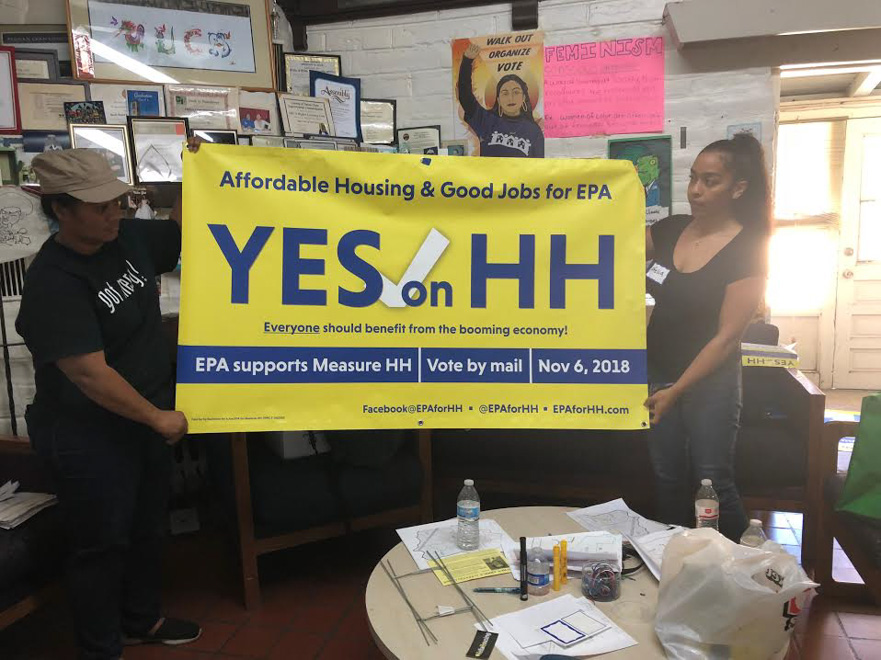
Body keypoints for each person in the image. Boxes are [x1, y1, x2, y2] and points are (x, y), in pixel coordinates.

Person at [16, 147, 201, 660]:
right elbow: (88, 373)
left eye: (117, 202)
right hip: (88, 435)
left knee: (147, 528)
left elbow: (178, 230)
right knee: (100, 545)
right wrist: (157, 417)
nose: (113, 213)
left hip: (144, 425)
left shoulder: (126, 237)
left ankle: (141, 620)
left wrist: (196, 171)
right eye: (99, 207)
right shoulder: (54, 280)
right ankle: (100, 649)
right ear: (61, 210)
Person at [643, 133, 771, 541]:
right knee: (666, 477)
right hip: (657, 373)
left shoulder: (748, 247)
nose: (695, 190)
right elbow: (610, 248)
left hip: (710, 381)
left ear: (738, 188)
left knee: (713, 483)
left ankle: (742, 566)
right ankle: (674, 561)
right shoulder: (670, 229)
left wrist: (676, 390)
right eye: (693, 178)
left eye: (710, 181)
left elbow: (727, 338)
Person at [457, 41, 544, 158]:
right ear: (498, 99)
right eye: (505, 93)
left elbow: (539, 165)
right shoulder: (486, 121)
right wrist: (467, 61)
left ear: (524, 97)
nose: (510, 98)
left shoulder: (533, 130)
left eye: (516, 92)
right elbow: (465, 96)